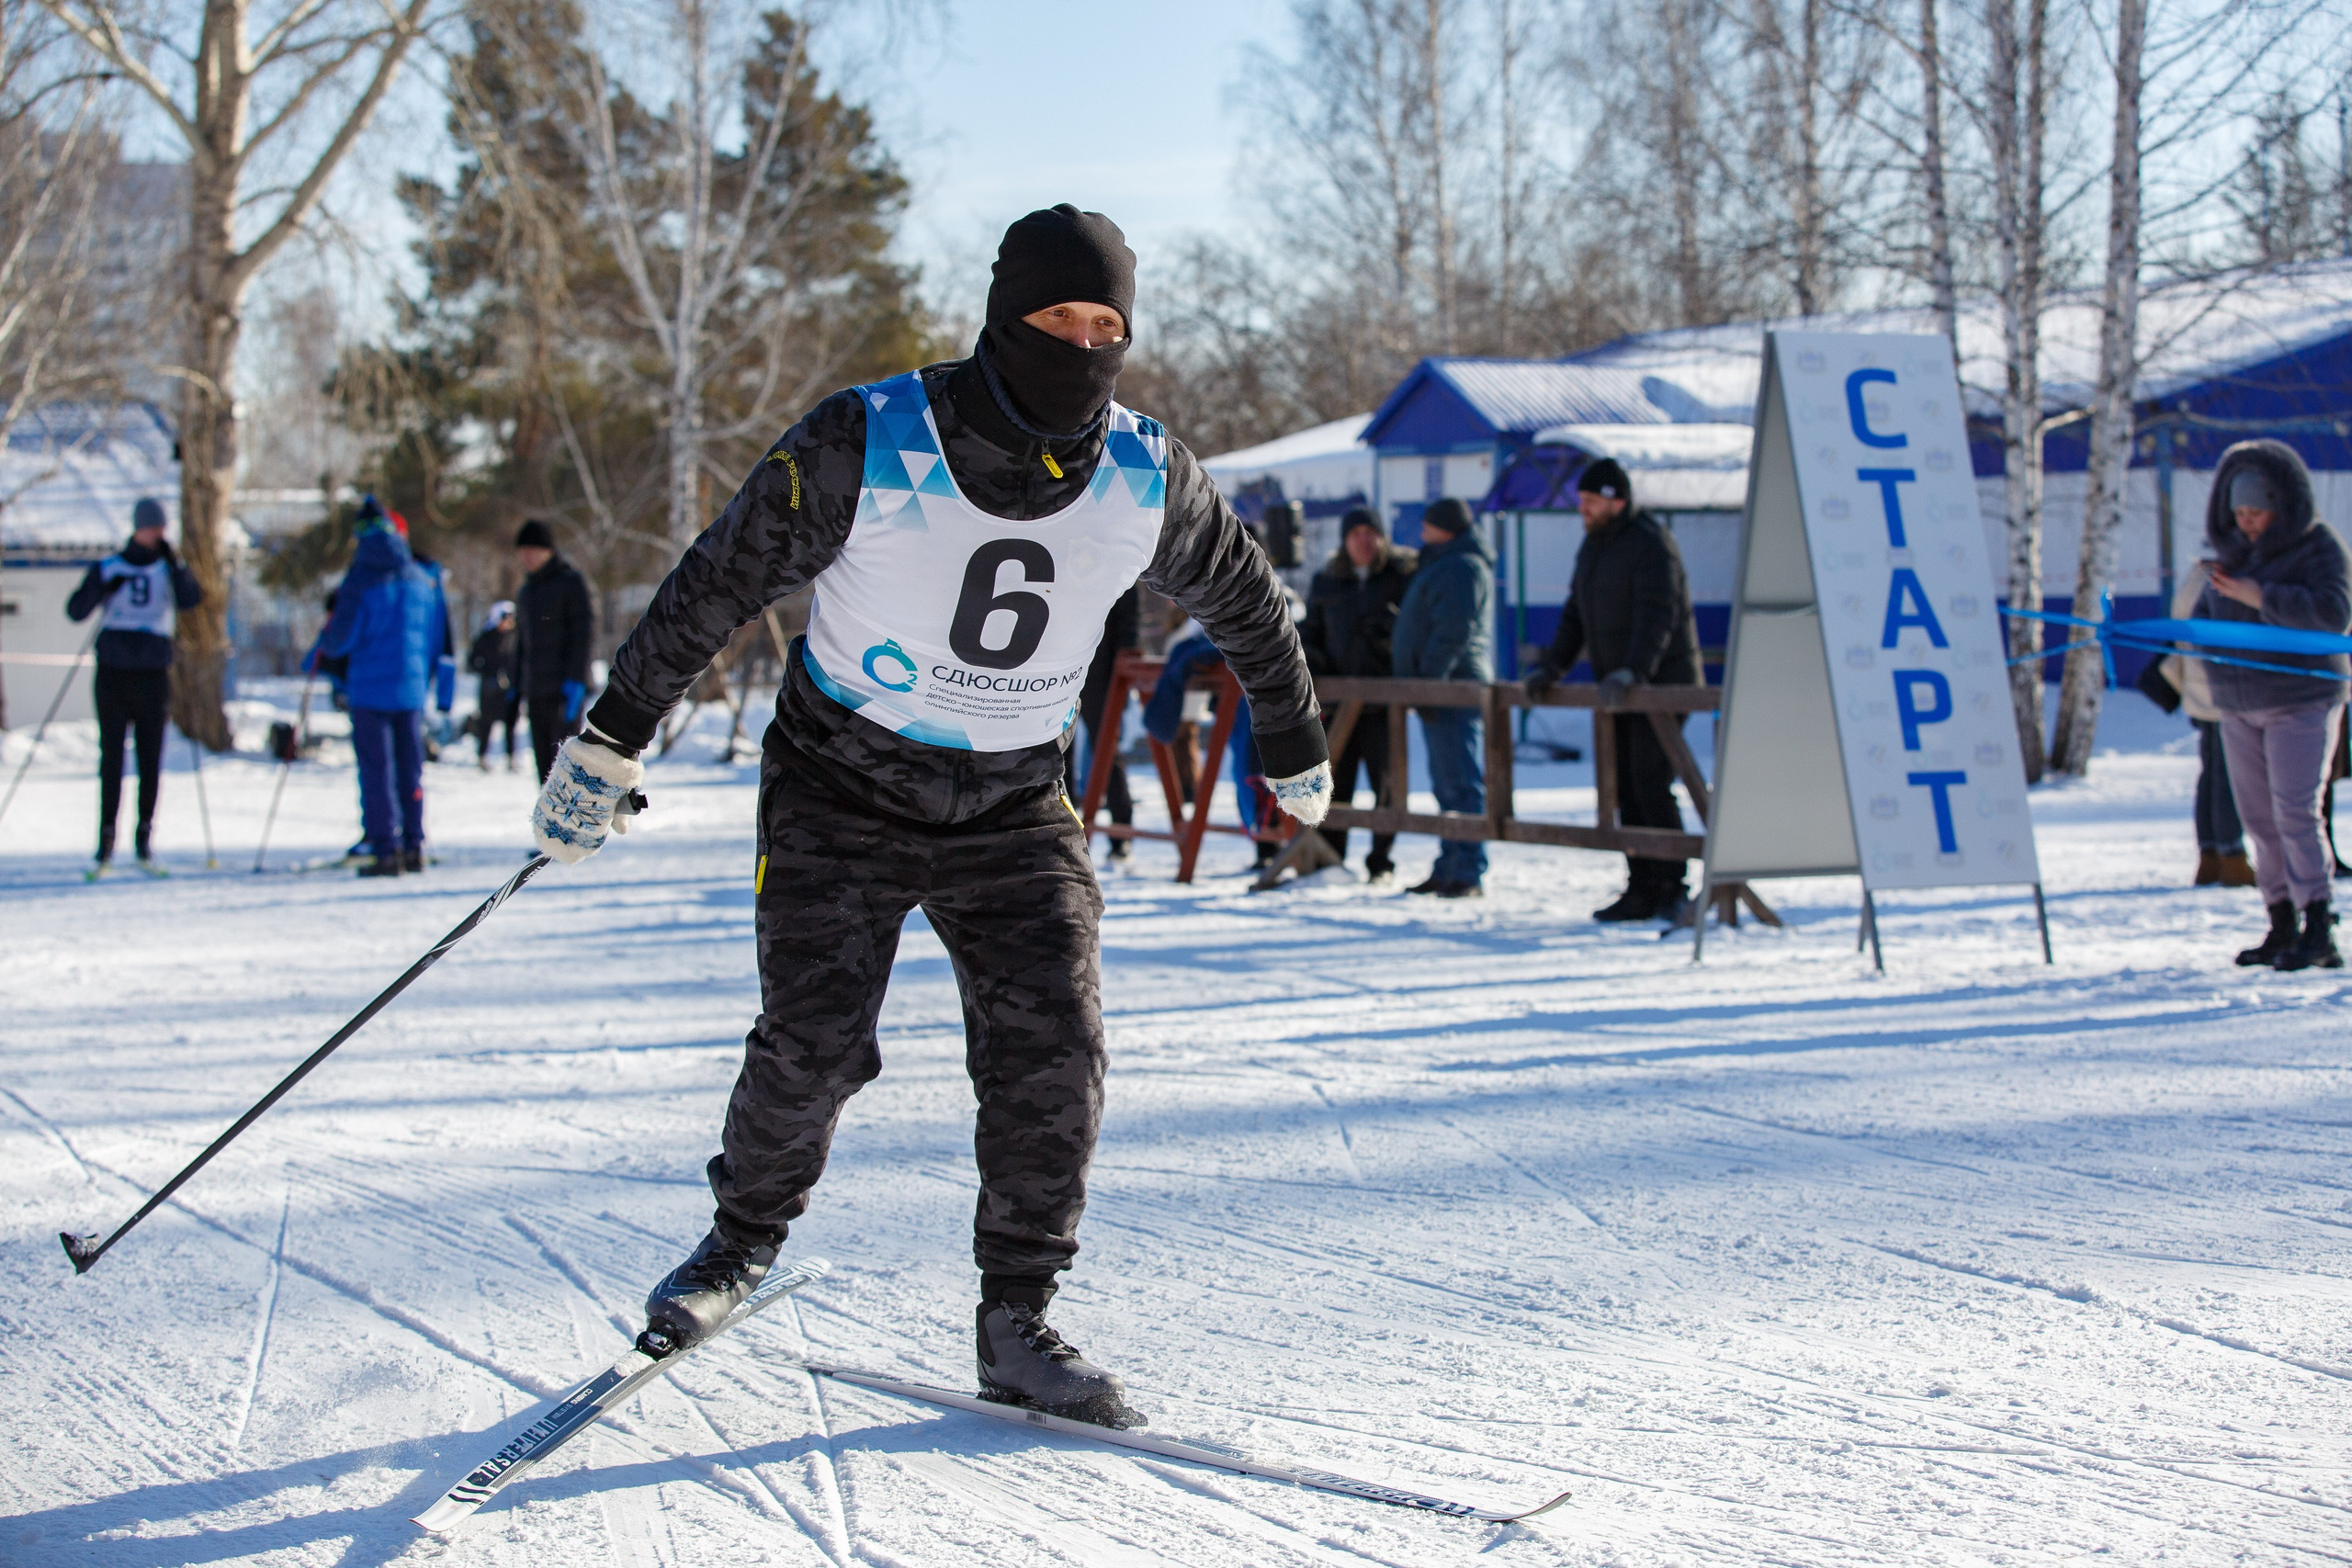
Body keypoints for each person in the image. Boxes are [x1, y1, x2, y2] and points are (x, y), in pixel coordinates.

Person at [526, 205, 1330, 1427]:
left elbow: (1253, 603)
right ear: (1005, 316)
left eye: (1107, 325)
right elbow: (718, 579)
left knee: (1054, 1043)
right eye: (1059, 317)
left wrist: (1294, 735)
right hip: (840, 782)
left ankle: (1018, 1313)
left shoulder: (1142, 471)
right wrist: (611, 732)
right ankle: (737, 1244)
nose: (1082, 343)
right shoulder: (872, 436)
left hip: (1014, 799)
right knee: (814, 1039)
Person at [1521, 459, 1702, 922]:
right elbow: (1575, 613)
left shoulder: (1649, 544)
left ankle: (1670, 884)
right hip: (1618, 690)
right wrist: (1553, 666)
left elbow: (1658, 614)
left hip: (1659, 688)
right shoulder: (1595, 546)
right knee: (1624, 786)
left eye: (1591, 501)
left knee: (1649, 781)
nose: (1583, 509)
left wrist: (1635, 671)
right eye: (1581, 502)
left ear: (1616, 501)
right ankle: (1641, 883)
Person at [2200, 441, 2350, 971]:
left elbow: (2335, 614)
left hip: (2301, 699)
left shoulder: (2319, 548)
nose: (2248, 524)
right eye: (2239, 514)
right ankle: (2280, 919)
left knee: (2295, 811)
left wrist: (2260, 597)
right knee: (2259, 819)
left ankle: (2317, 921)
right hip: (2240, 705)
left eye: (2257, 512)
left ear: (2281, 506)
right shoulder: (2227, 555)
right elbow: (2203, 621)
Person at [64, 497, 202, 877]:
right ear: (138, 528)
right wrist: (103, 589)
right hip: (113, 672)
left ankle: (144, 839)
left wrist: (178, 568)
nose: (159, 535)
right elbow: (76, 611)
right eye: (153, 528)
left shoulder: (169, 567)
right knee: (111, 757)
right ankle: (105, 840)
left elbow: (192, 601)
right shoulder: (110, 566)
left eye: (161, 528)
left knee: (150, 759)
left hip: (153, 673)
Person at [316, 497, 452, 877]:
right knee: (410, 769)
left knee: (376, 771)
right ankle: (414, 844)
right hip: (409, 689)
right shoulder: (418, 576)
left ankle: (384, 849)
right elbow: (432, 635)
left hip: (369, 692)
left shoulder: (360, 579)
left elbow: (339, 640)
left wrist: (328, 632)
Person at [1299, 506, 1416, 882]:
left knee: (1387, 783)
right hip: (1337, 705)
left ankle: (1381, 861)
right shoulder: (1327, 581)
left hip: (1385, 704)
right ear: (1344, 540)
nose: (1364, 541)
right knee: (1335, 785)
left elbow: (1414, 633)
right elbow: (1309, 637)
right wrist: (1320, 675)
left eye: (1371, 532)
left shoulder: (1401, 577)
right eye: (1355, 534)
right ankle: (1330, 860)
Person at [1390, 496, 1492, 897]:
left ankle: (1467, 869)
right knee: (1447, 783)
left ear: (1446, 526)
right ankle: (1450, 863)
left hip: (1452, 689)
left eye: (1429, 523)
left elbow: (1454, 630)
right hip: (1442, 688)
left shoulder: (1461, 566)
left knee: (1461, 782)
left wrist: (1429, 681)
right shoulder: (1447, 561)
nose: (1422, 531)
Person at [2152, 563, 2256, 886]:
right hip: (2220, 690)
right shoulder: (2222, 577)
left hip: (2201, 689)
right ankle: (2231, 857)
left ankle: (2211, 855)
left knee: (2212, 774)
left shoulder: (2195, 576)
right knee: (2226, 776)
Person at [514, 518, 595, 781]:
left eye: (530, 550)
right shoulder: (526, 591)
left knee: (566, 770)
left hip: (563, 692)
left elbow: (583, 632)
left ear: (546, 550)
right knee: (544, 772)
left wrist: (576, 679)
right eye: (521, 551)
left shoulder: (569, 582)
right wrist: (517, 683)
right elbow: (522, 643)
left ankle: (571, 821)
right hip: (536, 691)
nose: (525, 557)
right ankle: (548, 821)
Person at [1066, 585, 1140, 861]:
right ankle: (1061, 830)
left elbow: (1128, 611)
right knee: (1057, 753)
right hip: (1062, 663)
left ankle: (1121, 830)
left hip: (1103, 667)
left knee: (1106, 749)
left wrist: (1126, 657)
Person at [469, 601, 522, 772]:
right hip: (489, 689)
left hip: (510, 689)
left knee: (510, 725)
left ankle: (511, 758)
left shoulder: (514, 638)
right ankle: (483, 757)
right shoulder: (486, 638)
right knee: (487, 724)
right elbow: (472, 661)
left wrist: (516, 682)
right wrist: (488, 674)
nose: (508, 623)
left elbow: (520, 662)